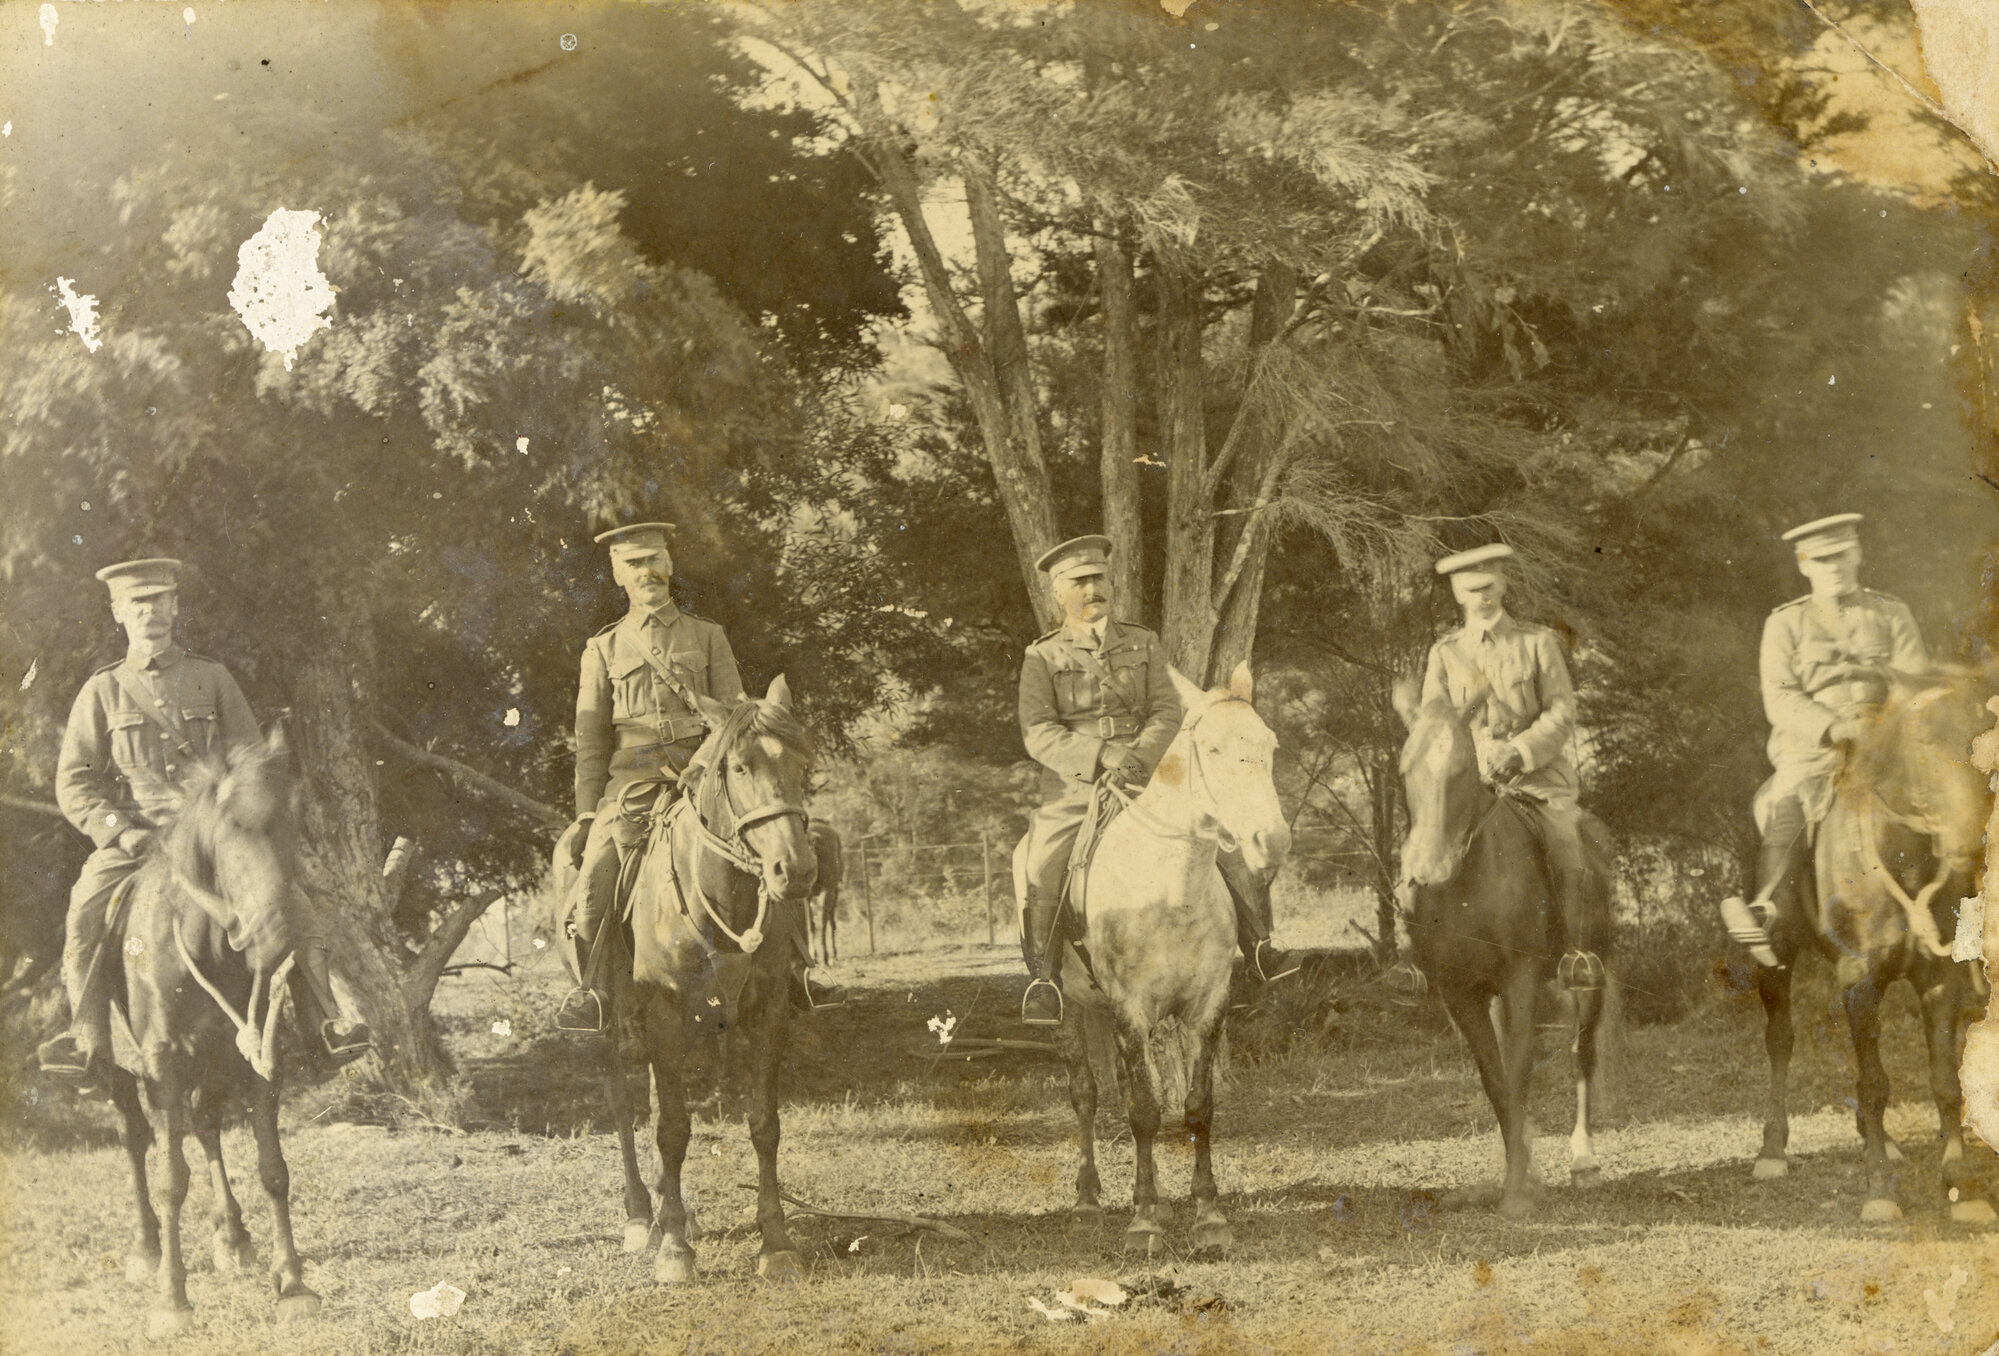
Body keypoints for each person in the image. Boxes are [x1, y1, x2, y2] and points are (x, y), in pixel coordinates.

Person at [37, 559, 370, 1088]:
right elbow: (74, 781)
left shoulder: (211, 677)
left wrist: (236, 817)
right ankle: (87, 1044)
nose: (149, 611)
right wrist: (118, 830)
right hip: (138, 839)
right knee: (84, 912)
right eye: (137, 602)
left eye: (159, 600)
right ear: (118, 613)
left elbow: (251, 760)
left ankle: (326, 1026)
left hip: (216, 839)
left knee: (294, 905)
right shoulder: (102, 690)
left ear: (175, 607)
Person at [556, 523, 834, 1031]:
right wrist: (588, 811)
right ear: (618, 575)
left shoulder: (707, 635)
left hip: (706, 778)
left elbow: (736, 719)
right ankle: (593, 991)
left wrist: (701, 767)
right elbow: (591, 741)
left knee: (777, 846)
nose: (646, 572)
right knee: (596, 871)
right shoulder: (603, 647)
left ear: (669, 566)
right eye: (634, 564)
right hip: (631, 785)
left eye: (654, 560)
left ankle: (798, 970)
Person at [1016, 534, 1298, 1028]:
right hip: (1077, 784)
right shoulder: (1043, 656)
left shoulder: (1142, 642)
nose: (1091, 589)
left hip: (1151, 773)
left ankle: (1258, 945)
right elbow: (1038, 733)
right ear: (1059, 593)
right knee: (1039, 859)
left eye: (1098, 578)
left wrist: (1139, 760)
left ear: (1110, 583)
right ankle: (1045, 980)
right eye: (1078, 582)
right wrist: (1100, 757)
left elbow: (1167, 710)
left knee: (1219, 836)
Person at [1720, 514, 1928, 965]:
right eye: (1821, 559)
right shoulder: (1785, 623)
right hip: (1812, 749)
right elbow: (1780, 697)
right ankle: (1769, 911)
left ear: (1858, 555)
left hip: (1886, 742)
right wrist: (1833, 727)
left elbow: (1914, 683)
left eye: (1841, 555)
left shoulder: (1892, 612)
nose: (1833, 567)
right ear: (1804, 565)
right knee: (1786, 803)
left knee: (1949, 801)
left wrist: (1884, 728)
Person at [1418, 543, 1605, 989]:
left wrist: (1519, 751)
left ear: (1503, 585)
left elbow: (1561, 711)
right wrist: (1469, 756)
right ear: (1458, 594)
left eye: (1489, 586)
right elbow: (1433, 722)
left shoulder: (1537, 643)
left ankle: (1575, 955)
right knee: (1423, 848)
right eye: (1471, 590)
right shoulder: (1445, 653)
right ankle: (1420, 958)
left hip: (1538, 783)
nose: (1482, 597)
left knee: (1566, 844)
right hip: (1471, 785)